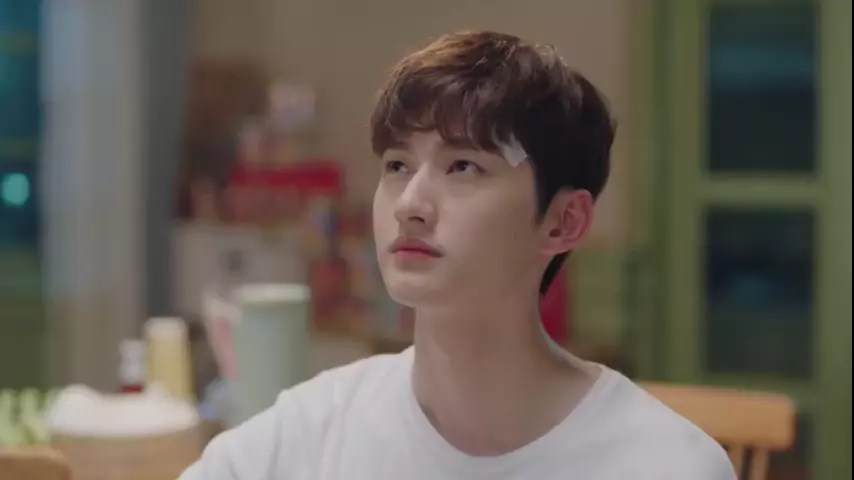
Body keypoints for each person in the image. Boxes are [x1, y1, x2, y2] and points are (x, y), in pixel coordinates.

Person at [180, 31, 735, 479]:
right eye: (398, 165)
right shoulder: (310, 434)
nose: (410, 204)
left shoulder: (663, 463)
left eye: (464, 166)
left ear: (564, 221)